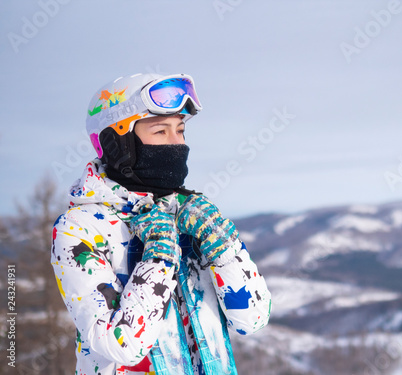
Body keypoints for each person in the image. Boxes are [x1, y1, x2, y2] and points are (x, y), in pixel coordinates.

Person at [51, 73, 272, 375]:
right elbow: (122, 345)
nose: (176, 144)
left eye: (180, 131)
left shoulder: (188, 216)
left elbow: (253, 319)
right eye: (160, 132)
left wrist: (223, 245)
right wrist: (158, 256)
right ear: (118, 144)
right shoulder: (79, 229)